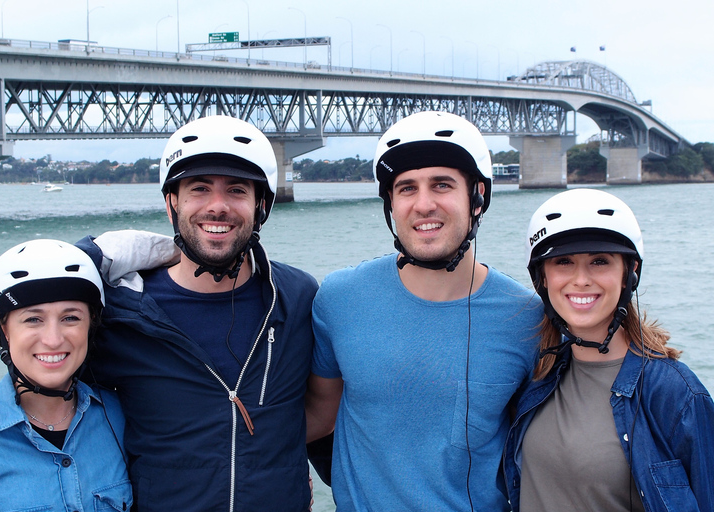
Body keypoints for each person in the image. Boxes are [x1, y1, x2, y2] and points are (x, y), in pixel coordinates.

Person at [0, 116, 319, 511]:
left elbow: (333, 405)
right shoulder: (121, 309)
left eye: (237, 190)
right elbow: (44, 365)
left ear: (261, 203)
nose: (218, 206)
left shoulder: (295, 297)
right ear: (171, 202)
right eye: (199, 189)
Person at [304, 111, 542, 511]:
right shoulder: (339, 298)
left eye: (442, 185)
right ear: (391, 204)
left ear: (478, 196)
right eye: (406, 188)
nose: (423, 204)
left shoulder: (526, 318)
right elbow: (316, 418)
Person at [503, 188, 714, 511]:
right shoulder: (537, 376)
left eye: (600, 261)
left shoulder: (675, 394)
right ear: (542, 278)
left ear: (630, 273)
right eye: (564, 262)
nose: (581, 279)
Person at [0, 239, 131, 511]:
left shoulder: (124, 417)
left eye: (71, 318)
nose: (54, 340)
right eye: (33, 319)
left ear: (90, 328)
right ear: (5, 331)